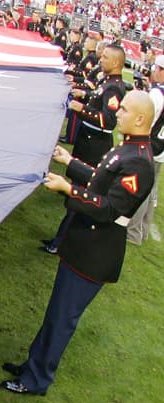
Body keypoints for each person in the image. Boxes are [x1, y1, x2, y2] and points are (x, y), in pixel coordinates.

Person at [1, 91, 157, 395]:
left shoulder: (139, 162)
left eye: (124, 110)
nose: (118, 113)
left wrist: (69, 189)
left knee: (61, 319)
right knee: (55, 313)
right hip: (85, 245)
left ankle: (37, 380)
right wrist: (70, 161)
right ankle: (33, 365)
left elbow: (110, 208)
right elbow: (101, 178)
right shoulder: (129, 149)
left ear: (140, 119)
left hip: (95, 253)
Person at [43, 43, 127, 254]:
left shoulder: (115, 87)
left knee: (81, 193)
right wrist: (83, 94)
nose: (101, 60)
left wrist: (81, 109)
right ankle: (61, 238)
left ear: (116, 62)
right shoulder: (107, 81)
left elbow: (108, 121)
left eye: (105, 57)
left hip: (94, 144)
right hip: (87, 139)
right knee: (75, 186)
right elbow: (96, 98)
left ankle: (60, 242)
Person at [125, 56, 164, 244]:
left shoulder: (158, 94)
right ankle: (143, 230)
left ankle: (133, 232)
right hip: (160, 148)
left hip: (151, 145)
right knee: (151, 189)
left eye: (157, 68)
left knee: (142, 188)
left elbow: (146, 118)